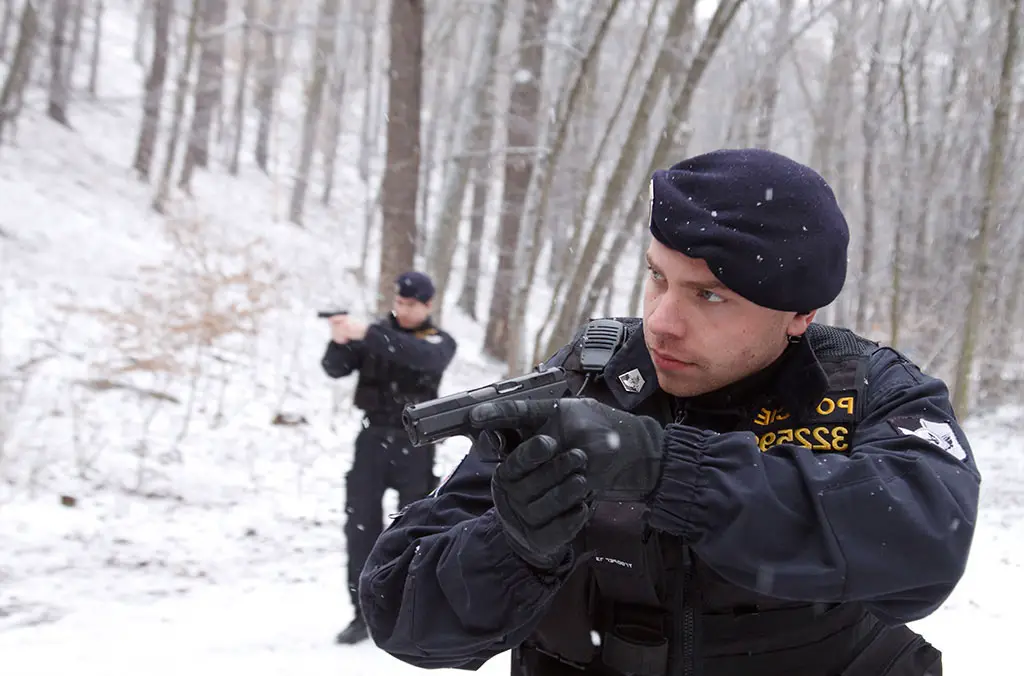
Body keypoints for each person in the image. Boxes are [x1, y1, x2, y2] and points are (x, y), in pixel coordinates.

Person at [356, 149, 980, 676]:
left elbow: (926, 543)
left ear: (799, 314)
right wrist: (514, 545)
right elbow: (400, 611)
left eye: (709, 296)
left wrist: (671, 472)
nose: (661, 322)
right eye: (657, 277)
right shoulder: (585, 381)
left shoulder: (865, 388)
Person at [321, 270, 457, 645]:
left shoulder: (438, 341)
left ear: (428, 305)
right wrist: (338, 340)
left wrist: (368, 334)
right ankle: (362, 611)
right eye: (398, 302)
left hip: (416, 444)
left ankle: (412, 608)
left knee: (414, 528)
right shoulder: (376, 334)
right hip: (373, 439)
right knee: (360, 525)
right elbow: (335, 368)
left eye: (410, 305)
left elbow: (421, 359)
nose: (402, 309)